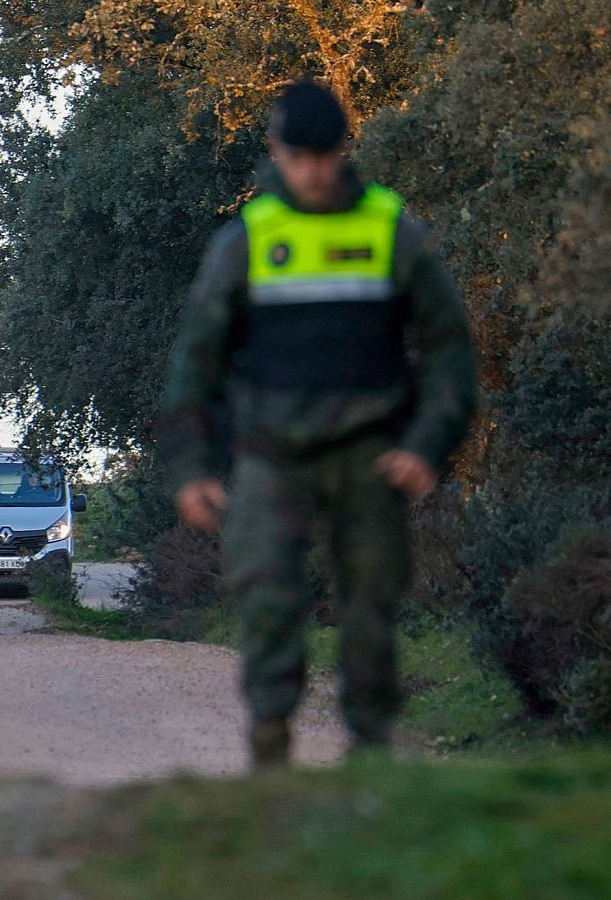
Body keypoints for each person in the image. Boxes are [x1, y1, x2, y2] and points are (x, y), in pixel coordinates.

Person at [156, 79, 478, 768]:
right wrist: (189, 468)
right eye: (299, 156)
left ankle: (370, 756)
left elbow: (450, 348)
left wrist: (427, 443)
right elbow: (196, 360)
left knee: (370, 607)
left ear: (342, 150)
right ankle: (271, 754)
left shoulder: (392, 230)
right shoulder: (248, 241)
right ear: (277, 151)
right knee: (267, 598)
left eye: (324, 155)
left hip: (370, 451)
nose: (312, 170)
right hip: (270, 453)